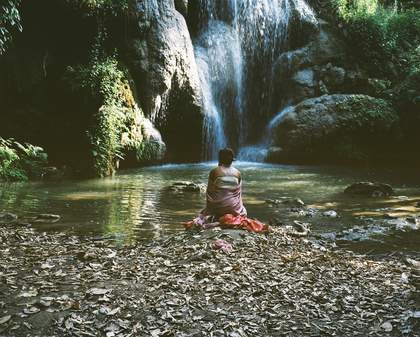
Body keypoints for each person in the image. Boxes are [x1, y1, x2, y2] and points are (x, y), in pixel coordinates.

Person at [201, 148, 247, 218]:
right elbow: (238, 195)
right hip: (234, 209)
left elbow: (209, 193)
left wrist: (210, 209)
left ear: (220, 159)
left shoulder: (214, 171)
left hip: (217, 208)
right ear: (232, 159)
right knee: (244, 210)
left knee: (202, 214)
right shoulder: (238, 173)